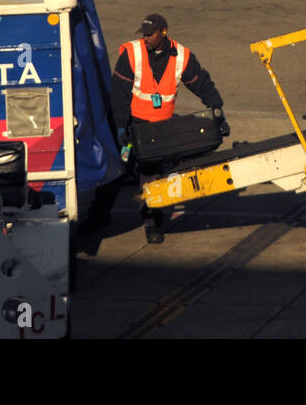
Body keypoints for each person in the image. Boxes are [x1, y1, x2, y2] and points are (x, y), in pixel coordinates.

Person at [81, 13, 226, 240]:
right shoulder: (132, 54)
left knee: (153, 179)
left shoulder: (182, 57)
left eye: (150, 34)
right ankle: (99, 217)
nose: (146, 38)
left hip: (157, 130)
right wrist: (120, 128)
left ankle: (153, 223)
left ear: (164, 33)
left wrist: (216, 107)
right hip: (130, 124)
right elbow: (119, 94)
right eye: (144, 34)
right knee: (114, 171)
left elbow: (201, 82)